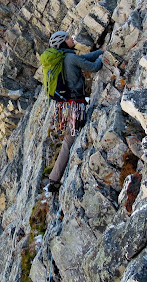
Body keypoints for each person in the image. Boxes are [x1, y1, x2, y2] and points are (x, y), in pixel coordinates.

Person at [47, 30, 105, 193]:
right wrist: (104, 57)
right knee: (69, 141)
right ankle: (54, 180)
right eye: (67, 38)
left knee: (68, 140)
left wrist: (99, 52)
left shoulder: (64, 58)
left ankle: (54, 178)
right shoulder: (70, 58)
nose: (71, 38)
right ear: (62, 42)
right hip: (74, 107)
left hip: (65, 106)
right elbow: (94, 67)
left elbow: (84, 59)